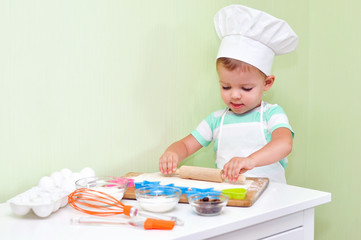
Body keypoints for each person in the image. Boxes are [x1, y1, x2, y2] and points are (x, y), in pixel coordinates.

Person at [159, 5, 298, 183]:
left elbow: (284, 144)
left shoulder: (271, 115)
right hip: (231, 201)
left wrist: (251, 160)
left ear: (267, 83)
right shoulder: (216, 120)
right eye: (226, 87)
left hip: (272, 200)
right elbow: (186, 145)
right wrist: (172, 153)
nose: (235, 95)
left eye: (246, 88)